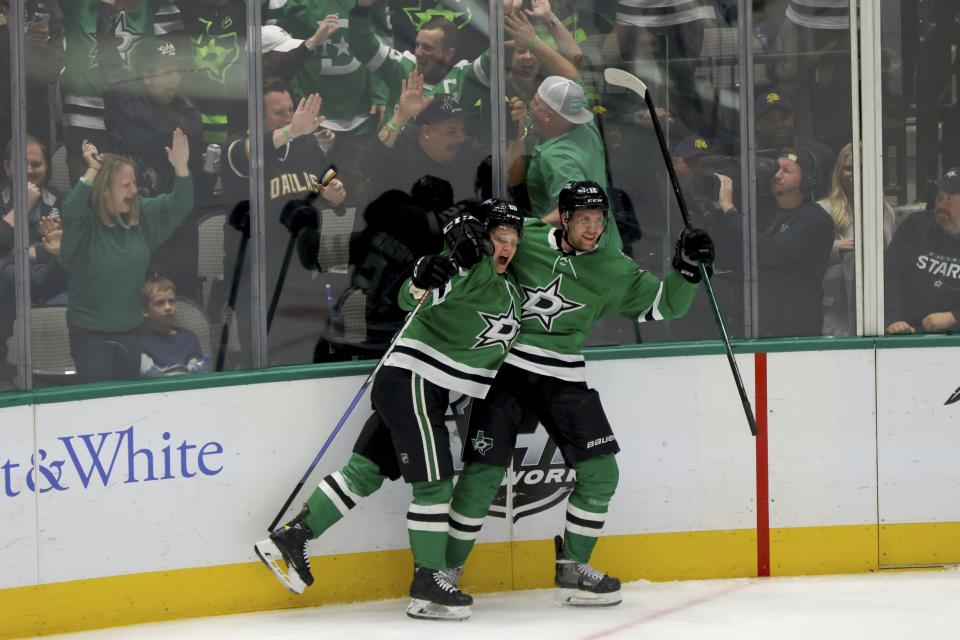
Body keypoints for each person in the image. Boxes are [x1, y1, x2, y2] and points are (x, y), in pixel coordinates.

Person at [446, 181, 715, 607]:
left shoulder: (614, 266)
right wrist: (462, 229)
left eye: (599, 220)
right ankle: (447, 572)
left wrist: (685, 269)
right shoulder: (528, 237)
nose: (592, 229)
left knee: (602, 472)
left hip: (563, 375)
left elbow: (666, 306)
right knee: (482, 476)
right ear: (564, 218)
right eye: (584, 219)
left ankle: (572, 566)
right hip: (507, 370)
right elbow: (479, 242)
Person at [255, 200, 524, 621]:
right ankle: (429, 583)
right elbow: (420, 288)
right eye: (498, 238)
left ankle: (291, 537)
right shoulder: (469, 270)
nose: (506, 246)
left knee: (363, 474)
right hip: (416, 381)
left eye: (512, 240)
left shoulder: (511, 291)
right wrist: (422, 276)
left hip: (420, 390)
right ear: (483, 242)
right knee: (435, 484)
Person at [221, 79, 347, 366]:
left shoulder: (304, 145)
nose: (290, 117)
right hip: (255, 280)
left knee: (303, 357)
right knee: (263, 362)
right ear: (256, 115)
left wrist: (334, 192)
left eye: (292, 110)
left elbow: (325, 176)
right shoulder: (235, 145)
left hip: (300, 276)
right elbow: (248, 153)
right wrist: (292, 131)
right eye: (280, 113)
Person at [59, 130, 193, 383]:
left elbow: (181, 204)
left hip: (131, 333)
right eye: (126, 185)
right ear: (105, 190)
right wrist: (93, 169)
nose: (134, 190)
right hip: (90, 336)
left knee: (127, 406)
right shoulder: (85, 223)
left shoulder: (139, 213)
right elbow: (71, 209)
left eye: (134, 183)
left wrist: (181, 167)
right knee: (99, 406)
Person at [710, 147, 833, 337]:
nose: (777, 175)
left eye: (787, 170)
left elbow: (769, 254)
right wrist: (719, 208)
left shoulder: (815, 218)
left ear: (808, 179)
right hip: (755, 324)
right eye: (775, 169)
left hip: (796, 328)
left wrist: (728, 207)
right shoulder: (760, 212)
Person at [522, 76, 617, 247]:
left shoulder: (560, 160)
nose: (530, 104)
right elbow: (572, 72)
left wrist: (524, 234)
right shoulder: (586, 125)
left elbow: (580, 210)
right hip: (608, 244)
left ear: (549, 116)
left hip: (582, 254)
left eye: (535, 103)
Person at [819, 143, 896, 335]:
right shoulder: (823, 210)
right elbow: (805, 258)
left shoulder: (886, 211)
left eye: (863, 168)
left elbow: (894, 260)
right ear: (839, 171)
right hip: (836, 310)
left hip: (875, 309)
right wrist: (837, 247)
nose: (855, 174)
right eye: (849, 168)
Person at [885, 168, 960, 335]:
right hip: (909, 334)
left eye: (949, 200)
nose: (940, 205)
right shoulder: (916, 226)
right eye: (939, 197)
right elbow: (891, 274)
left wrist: (954, 317)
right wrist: (894, 319)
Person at [0, 212, 65, 382]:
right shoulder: (5, 273)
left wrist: (59, 255)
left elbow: (42, 281)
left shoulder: (6, 273)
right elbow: (43, 282)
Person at [754, 89, 835, 200]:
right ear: (757, 124)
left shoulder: (820, 154)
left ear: (792, 118)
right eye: (770, 119)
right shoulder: (748, 159)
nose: (778, 125)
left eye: (784, 117)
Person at [139, 274, 207, 377]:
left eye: (171, 301)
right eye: (160, 303)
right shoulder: (139, 341)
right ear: (145, 311)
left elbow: (199, 375)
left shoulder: (189, 339)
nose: (168, 307)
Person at [2, 136, 63, 247]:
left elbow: (73, 248)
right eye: (21, 165)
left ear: (46, 165)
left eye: (36, 164)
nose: (29, 171)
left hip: (49, 264)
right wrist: (23, 206)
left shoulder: (62, 200)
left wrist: (35, 253)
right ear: (7, 167)